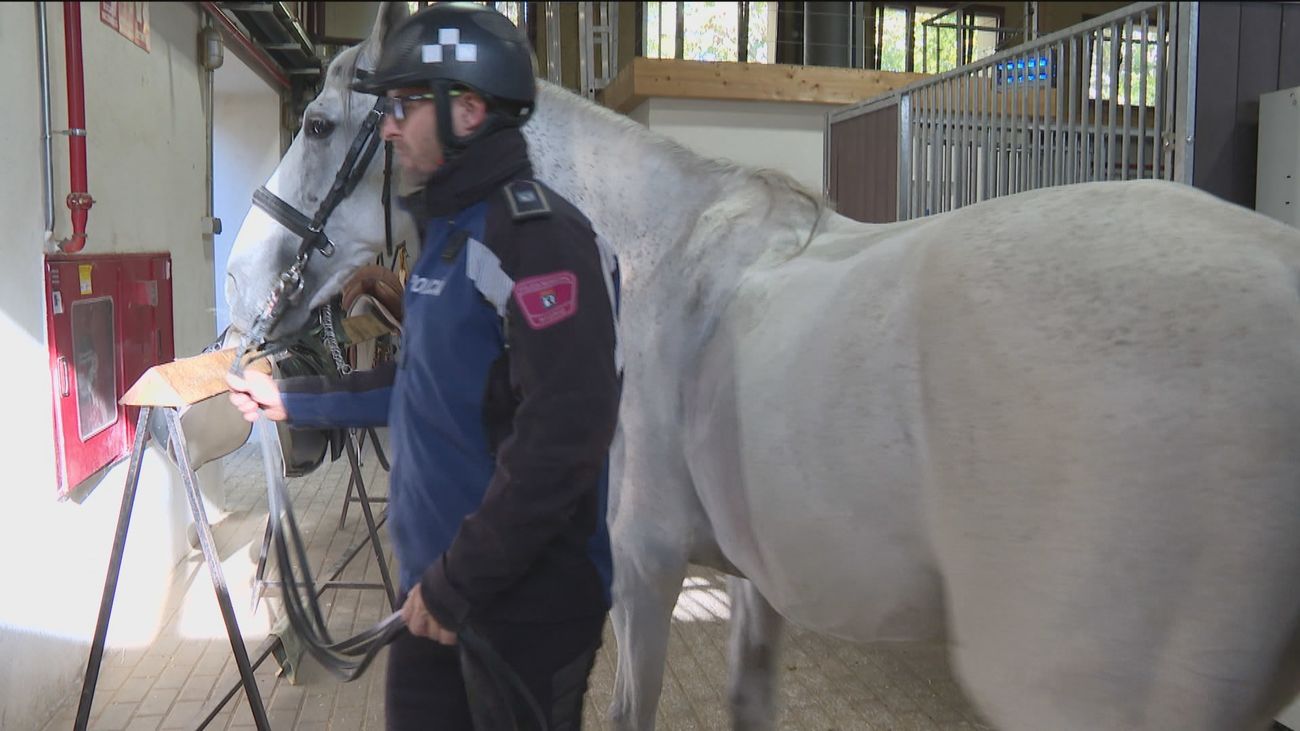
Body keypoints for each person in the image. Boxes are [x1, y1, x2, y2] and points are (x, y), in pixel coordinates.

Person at [226, 4, 622, 729]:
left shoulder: (541, 241)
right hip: (437, 597)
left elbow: (565, 437)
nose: (388, 126)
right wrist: (292, 399)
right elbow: (418, 387)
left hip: (519, 613)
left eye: (406, 105)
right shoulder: (447, 242)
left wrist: (455, 584)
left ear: (468, 110)